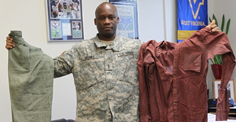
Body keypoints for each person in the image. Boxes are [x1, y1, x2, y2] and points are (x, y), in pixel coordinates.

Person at [5, 2, 221, 122]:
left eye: (110, 17)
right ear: (95, 21)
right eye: (102, 17)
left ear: (118, 19)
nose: (106, 21)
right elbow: (48, 68)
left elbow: (171, 52)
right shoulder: (79, 50)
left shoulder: (136, 47)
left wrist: (202, 36)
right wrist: (21, 51)